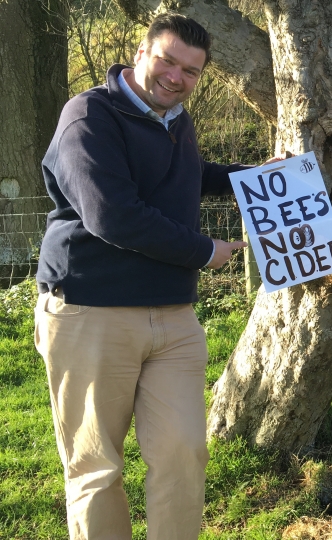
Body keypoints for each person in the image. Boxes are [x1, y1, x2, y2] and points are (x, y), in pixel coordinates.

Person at [34, 13, 278, 540]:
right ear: (141, 53)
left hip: (173, 318)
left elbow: (190, 176)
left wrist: (261, 177)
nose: (176, 77)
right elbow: (113, 215)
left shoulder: (175, 120)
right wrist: (203, 251)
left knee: (184, 452)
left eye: (191, 71)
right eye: (168, 60)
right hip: (89, 311)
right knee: (97, 467)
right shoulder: (89, 117)